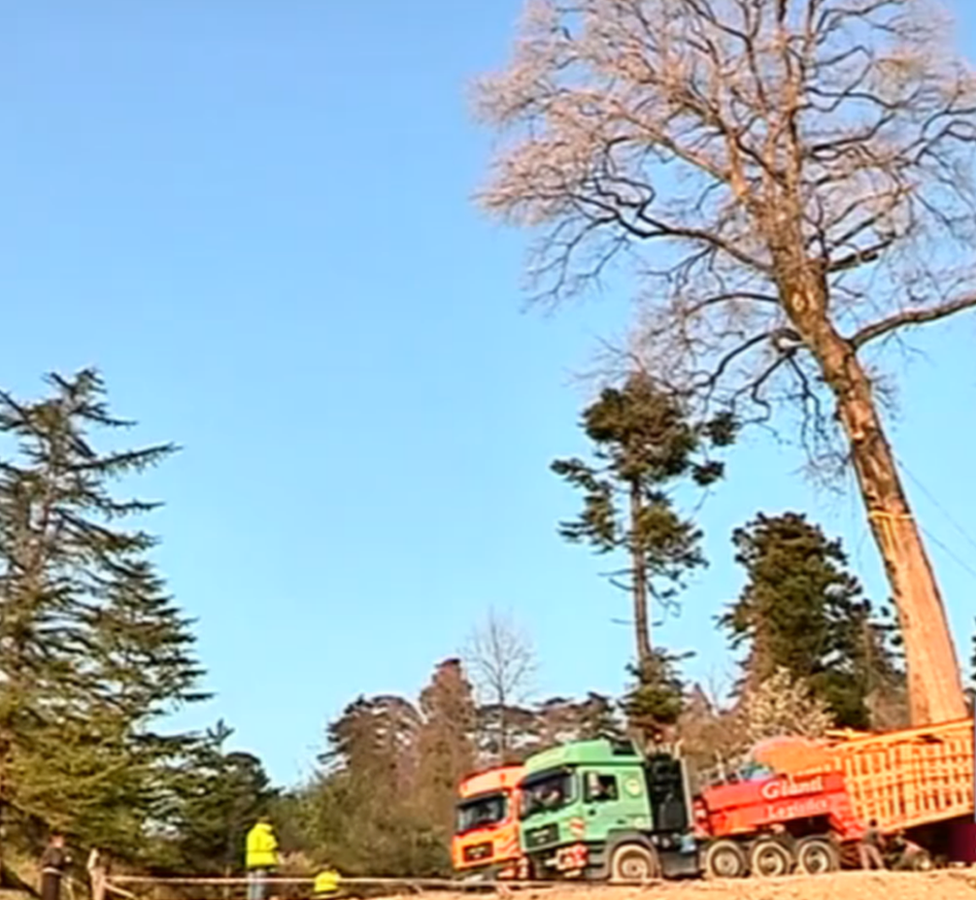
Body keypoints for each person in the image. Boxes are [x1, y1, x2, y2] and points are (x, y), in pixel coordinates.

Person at [245, 816, 279, 900]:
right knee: (260, 886)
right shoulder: (266, 834)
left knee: (252, 886)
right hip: (263, 862)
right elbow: (272, 845)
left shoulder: (251, 833)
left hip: (251, 862)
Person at [40, 833, 71, 900]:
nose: (62, 844)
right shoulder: (52, 850)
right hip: (51, 875)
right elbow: (56, 862)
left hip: (54, 875)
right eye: (60, 841)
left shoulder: (56, 851)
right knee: (50, 895)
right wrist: (65, 860)